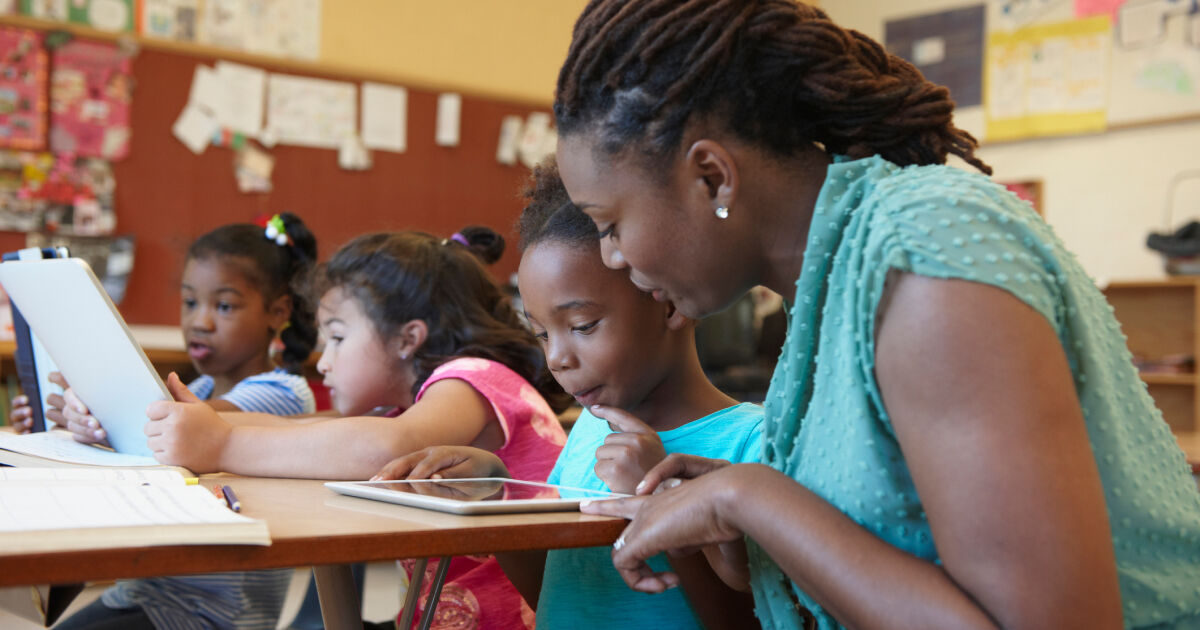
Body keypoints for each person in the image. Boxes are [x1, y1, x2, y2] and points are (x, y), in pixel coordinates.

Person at [545, 1, 1200, 629]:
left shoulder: (923, 253)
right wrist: (735, 507)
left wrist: (748, 498)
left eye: (610, 223)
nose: (614, 256)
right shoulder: (832, 283)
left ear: (713, 177)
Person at [63, 227, 569, 630]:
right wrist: (202, 421)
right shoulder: (409, 407)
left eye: (339, 337)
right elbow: (312, 426)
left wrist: (223, 441)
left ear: (407, 340)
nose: (322, 363)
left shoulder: (472, 378)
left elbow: (382, 449)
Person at [375, 161, 763, 629]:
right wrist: (495, 499)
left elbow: (748, 622)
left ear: (671, 301)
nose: (556, 358)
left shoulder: (751, 445)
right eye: (540, 333)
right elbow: (553, 598)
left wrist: (659, 500)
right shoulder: (589, 431)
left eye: (582, 326)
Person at [50, 213, 320, 630]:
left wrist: (96, 392)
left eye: (224, 305)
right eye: (190, 302)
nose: (200, 320)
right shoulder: (205, 384)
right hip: (148, 592)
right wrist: (81, 421)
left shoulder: (284, 392)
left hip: (210, 614)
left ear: (277, 312)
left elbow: (193, 427)